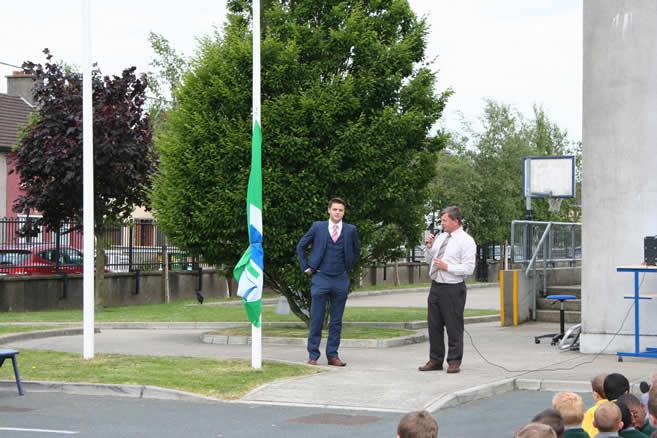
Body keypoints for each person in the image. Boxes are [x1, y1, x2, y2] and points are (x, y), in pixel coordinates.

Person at [296, 197, 360, 366]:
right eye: (335, 209)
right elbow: (301, 246)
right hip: (320, 278)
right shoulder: (318, 227)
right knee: (316, 319)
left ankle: (332, 355)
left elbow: (356, 251)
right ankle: (313, 355)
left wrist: (349, 266)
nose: (338, 212)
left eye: (341, 210)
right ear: (329, 210)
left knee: (336, 321)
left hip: (340, 279)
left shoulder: (350, 230)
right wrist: (306, 267)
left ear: (344, 212)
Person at [418, 206, 476, 374]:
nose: (441, 224)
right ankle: (435, 360)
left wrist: (447, 267)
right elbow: (429, 260)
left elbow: (469, 268)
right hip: (436, 285)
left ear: (455, 221)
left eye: (444, 220)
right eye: (441, 220)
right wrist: (429, 247)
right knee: (434, 325)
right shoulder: (442, 237)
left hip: (453, 287)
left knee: (453, 326)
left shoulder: (466, 241)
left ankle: (454, 361)